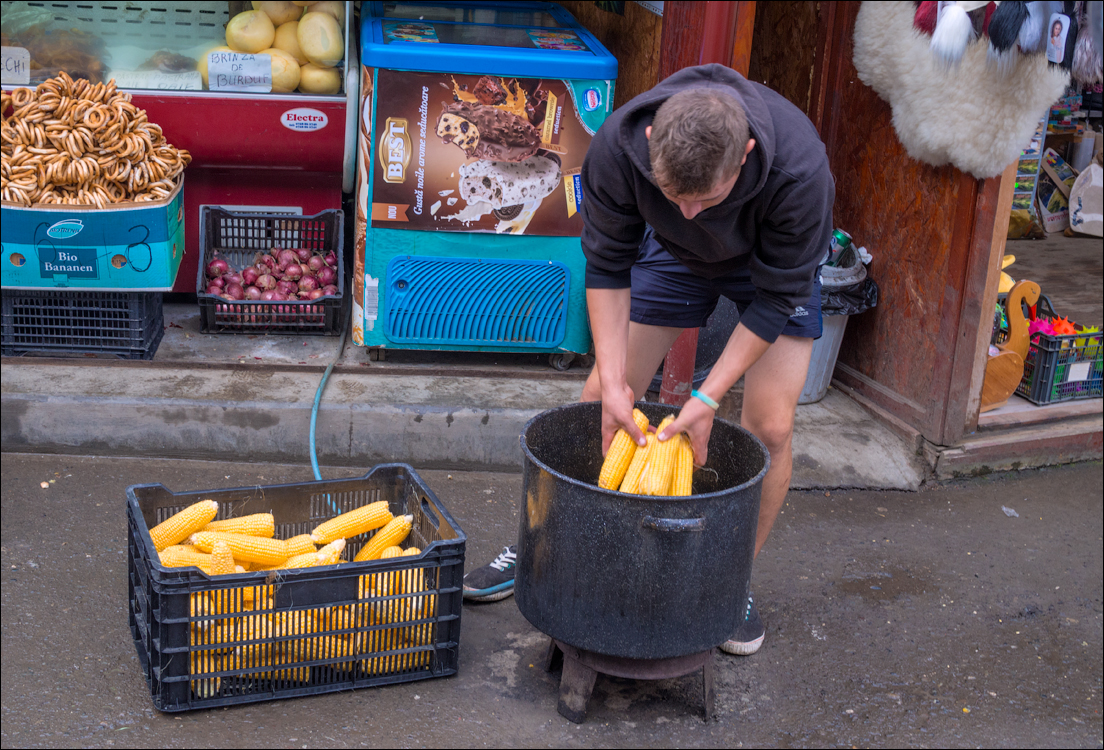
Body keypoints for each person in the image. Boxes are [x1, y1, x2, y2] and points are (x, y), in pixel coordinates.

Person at [464, 63, 835, 657]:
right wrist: (614, 381)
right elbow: (609, 267)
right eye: (673, 197)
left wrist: (707, 397)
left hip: (769, 276)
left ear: (744, 155)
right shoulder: (618, 142)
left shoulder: (799, 171)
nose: (689, 212)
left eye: (706, 198)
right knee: (596, 400)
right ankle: (545, 550)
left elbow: (774, 302)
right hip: (673, 258)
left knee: (772, 426)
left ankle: (731, 583)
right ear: (648, 145)